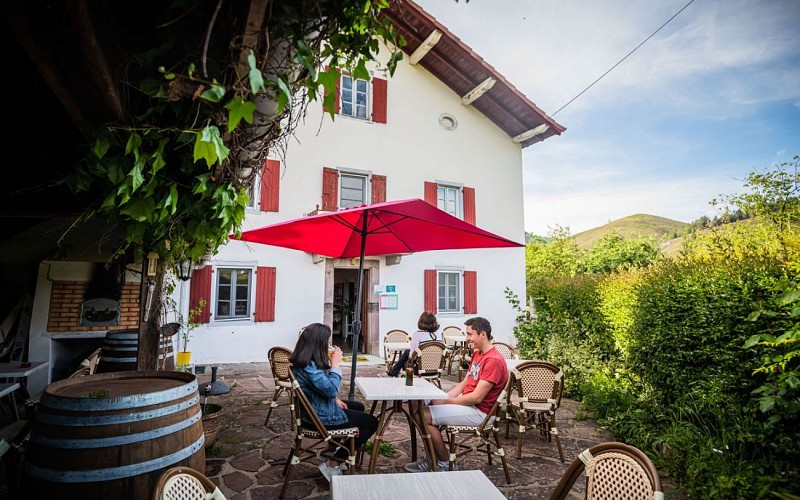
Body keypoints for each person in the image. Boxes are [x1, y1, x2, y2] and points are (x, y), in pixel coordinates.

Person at [404, 316, 508, 473]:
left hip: (481, 413)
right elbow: (464, 383)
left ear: (483, 334)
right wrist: (443, 398)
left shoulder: (493, 360)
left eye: (470, 334)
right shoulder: (478, 354)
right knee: (423, 407)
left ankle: (443, 463)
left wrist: (446, 402)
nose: (467, 339)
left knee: (421, 415)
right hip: (469, 406)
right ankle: (434, 457)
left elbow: (476, 397)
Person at [289, 323, 378, 481]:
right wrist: (335, 365)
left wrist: (335, 399)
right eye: (327, 343)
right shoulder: (309, 366)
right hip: (317, 418)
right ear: (318, 344)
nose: (329, 346)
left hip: (314, 408)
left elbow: (322, 389)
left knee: (358, 406)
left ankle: (332, 449)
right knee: (371, 422)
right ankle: (334, 462)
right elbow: (330, 389)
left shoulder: (305, 361)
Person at [387, 311, 440, 377]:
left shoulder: (417, 335)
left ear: (421, 321)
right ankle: (393, 372)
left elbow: (412, 355)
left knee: (406, 359)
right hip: (436, 369)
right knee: (407, 352)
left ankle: (393, 373)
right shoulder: (438, 334)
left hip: (418, 369)